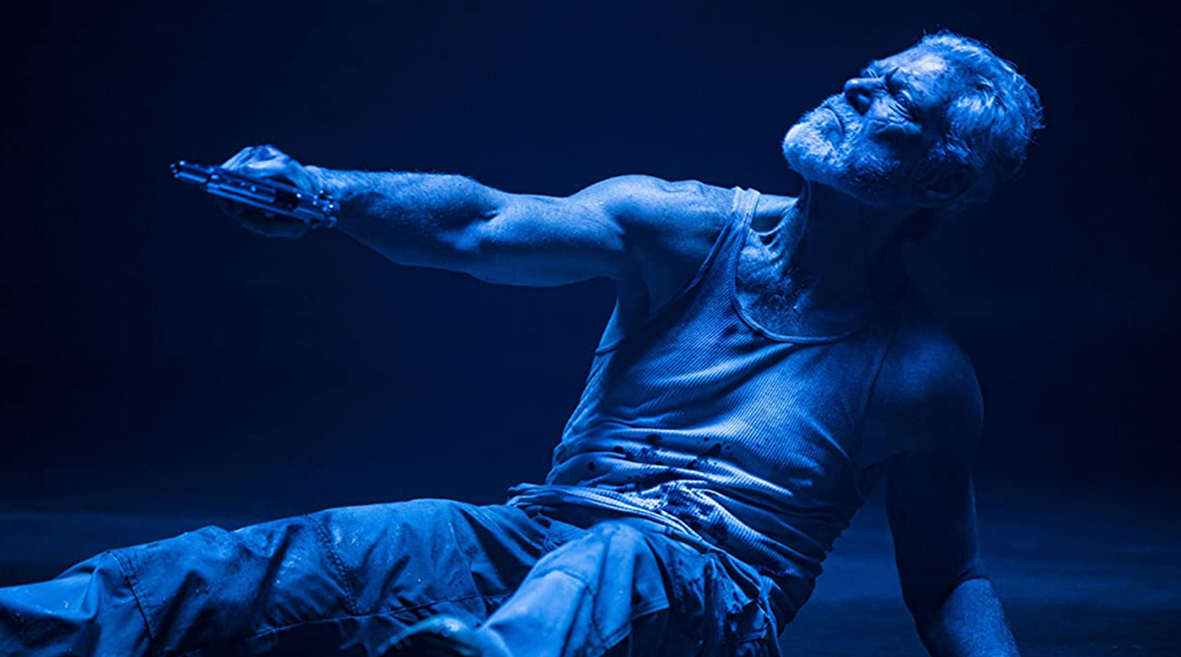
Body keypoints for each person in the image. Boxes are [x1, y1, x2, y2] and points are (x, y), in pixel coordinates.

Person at [0, 31, 1042, 657]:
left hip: (704, 599)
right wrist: (319, 193)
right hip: (535, 539)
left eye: (894, 99)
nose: (855, 90)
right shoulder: (680, 226)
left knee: (624, 559)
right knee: (278, 562)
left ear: (942, 178)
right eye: (865, 73)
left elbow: (947, 578)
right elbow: (479, 223)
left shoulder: (920, 375)